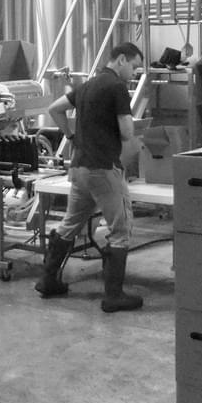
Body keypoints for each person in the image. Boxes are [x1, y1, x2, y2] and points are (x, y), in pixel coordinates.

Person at [36, 41, 145, 312]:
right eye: (133, 66)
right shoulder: (117, 87)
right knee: (120, 230)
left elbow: (54, 109)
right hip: (103, 169)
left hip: (80, 168)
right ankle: (113, 296)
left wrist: (71, 136)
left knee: (69, 224)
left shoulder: (87, 86)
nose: (133, 73)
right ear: (120, 60)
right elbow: (128, 133)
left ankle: (48, 281)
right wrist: (128, 121)